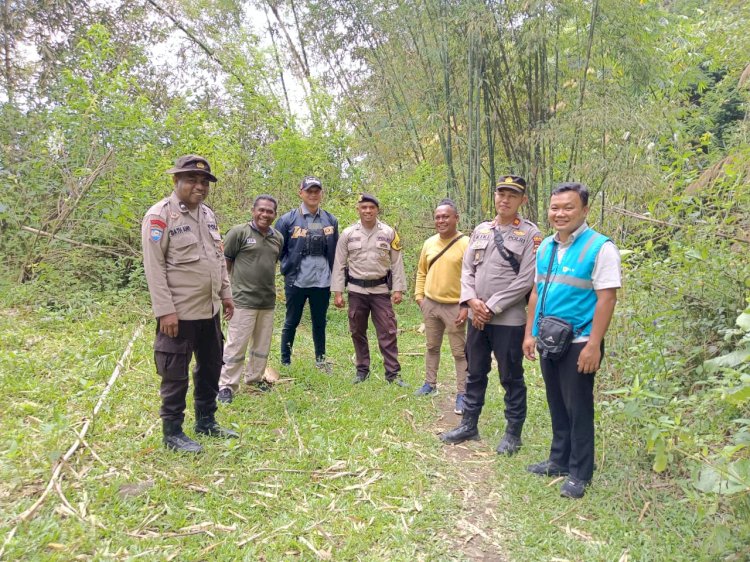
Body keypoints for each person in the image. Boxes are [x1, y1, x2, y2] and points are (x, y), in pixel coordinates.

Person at [522, 182, 621, 499]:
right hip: (549, 338)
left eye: (568, 207)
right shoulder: (547, 247)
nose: (560, 213)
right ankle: (558, 459)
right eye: (555, 208)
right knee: (556, 403)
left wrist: (594, 345)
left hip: (580, 342)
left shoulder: (600, 248)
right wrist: (530, 332)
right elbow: (537, 292)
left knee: (578, 407)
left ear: (585, 210)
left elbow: (607, 299)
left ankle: (580, 472)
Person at [141, 154, 238, 453]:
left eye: (204, 182)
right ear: (176, 181)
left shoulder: (207, 215)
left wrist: (226, 293)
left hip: (209, 310)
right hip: (179, 314)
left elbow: (217, 259)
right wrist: (165, 311)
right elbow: (154, 268)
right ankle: (172, 433)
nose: (199, 186)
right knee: (175, 373)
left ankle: (206, 421)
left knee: (210, 368)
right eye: (192, 180)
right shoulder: (160, 216)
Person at [440, 175, 541, 456]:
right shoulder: (481, 230)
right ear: (494, 196)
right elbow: (467, 270)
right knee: (475, 371)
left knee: (511, 376)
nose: (505, 200)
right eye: (501, 194)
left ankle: (513, 433)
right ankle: (469, 424)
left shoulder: (531, 235)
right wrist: (472, 301)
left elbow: (526, 279)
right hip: (477, 317)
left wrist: (490, 306)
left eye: (512, 195)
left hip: (508, 319)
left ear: (523, 200)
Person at [331, 193, 408, 386]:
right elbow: (339, 264)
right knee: (357, 331)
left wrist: (398, 289)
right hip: (357, 291)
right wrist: (338, 292)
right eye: (363, 207)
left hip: (381, 291)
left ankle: (393, 374)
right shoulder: (348, 233)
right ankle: (362, 370)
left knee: (388, 331)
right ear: (358, 209)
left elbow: (397, 263)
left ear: (377, 210)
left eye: (371, 207)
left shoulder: (389, 233)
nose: (367, 211)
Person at [217, 195, 283, 404]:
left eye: (269, 211)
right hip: (241, 300)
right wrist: (224, 294)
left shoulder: (277, 238)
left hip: (267, 301)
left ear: (275, 214)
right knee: (236, 344)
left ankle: (254, 378)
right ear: (253, 210)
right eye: (261, 210)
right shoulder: (239, 233)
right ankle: (226, 385)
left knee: (261, 345)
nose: (265, 214)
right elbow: (224, 264)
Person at [275, 176, 339, 370]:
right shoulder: (287, 220)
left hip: (322, 280)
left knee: (319, 322)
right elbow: (278, 249)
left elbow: (335, 250)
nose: (313, 195)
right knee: (291, 321)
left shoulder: (330, 219)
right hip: (297, 280)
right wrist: (287, 267)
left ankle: (321, 359)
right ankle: (285, 361)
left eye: (316, 191)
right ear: (300, 192)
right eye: (309, 191)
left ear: (321, 194)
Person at [414, 198, 470, 414]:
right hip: (431, 304)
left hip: (455, 306)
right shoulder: (429, 243)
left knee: (459, 352)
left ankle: (462, 393)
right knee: (431, 347)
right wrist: (420, 297)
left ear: (456, 218)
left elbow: (472, 277)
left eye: (446, 216)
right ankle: (430, 384)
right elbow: (421, 271)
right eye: (438, 217)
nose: (441, 220)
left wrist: (466, 305)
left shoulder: (466, 244)